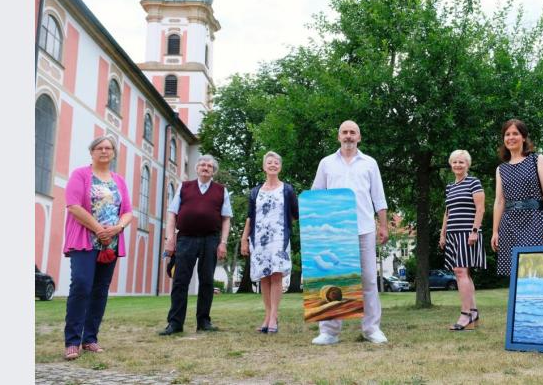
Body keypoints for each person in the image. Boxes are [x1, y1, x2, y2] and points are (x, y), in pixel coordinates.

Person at [310, 120, 389, 345]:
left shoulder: (370, 163)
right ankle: (329, 332)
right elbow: (316, 195)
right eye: (344, 132)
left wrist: (383, 225)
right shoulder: (326, 163)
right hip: (334, 231)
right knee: (333, 280)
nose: (348, 136)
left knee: (368, 280)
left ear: (359, 137)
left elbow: (379, 197)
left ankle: (372, 329)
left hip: (364, 228)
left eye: (352, 132)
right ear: (338, 137)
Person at [62, 136, 134, 360]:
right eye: (99, 148)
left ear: (113, 154)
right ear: (92, 152)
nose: (104, 151)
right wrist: (98, 229)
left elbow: (128, 211)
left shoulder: (119, 180)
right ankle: (72, 342)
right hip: (85, 239)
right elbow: (73, 205)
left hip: (110, 243)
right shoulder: (80, 174)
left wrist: (117, 228)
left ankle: (90, 339)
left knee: (100, 290)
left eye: (108, 148)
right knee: (82, 286)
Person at [159, 155, 232, 335]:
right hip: (186, 238)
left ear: (213, 171)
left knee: (207, 281)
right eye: (202, 165)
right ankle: (175, 323)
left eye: (209, 166)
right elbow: (171, 214)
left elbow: (226, 220)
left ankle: (204, 322)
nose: (205, 168)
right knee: (180, 281)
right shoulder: (184, 187)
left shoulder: (221, 191)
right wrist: (170, 239)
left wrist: (223, 242)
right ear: (196, 168)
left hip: (211, 240)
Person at [240, 151, 299, 334]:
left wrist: (282, 225)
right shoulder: (255, 192)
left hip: (279, 239)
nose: (272, 165)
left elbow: (295, 214)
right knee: (264, 278)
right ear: (264, 166)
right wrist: (244, 239)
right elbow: (250, 217)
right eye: (269, 162)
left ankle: (274, 316)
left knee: (276, 275)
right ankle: (267, 315)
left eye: (276, 162)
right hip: (258, 239)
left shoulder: (287, 189)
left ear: (280, 167)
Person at [491, 119, 543, 278]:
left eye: (515, 133)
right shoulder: (501, 169)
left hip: (535, 220)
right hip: (509, 224)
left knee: (536, 269)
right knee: (515, 273)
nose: (511, 137)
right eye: (507, 134)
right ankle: (518, 304)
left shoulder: (537, 159)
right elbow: (499, 202)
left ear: (524, 137)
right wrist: (495, 231)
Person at [438, 150, 486, 330]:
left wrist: (475, 231)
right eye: (455, 162)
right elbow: (448, 212)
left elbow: (480, 208)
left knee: (460, 271)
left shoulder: (473, 182)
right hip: (452, 234)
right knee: (462, 273)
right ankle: (473, 312)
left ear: (468, 165)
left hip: (467, 234)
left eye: (461, 162)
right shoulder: (450, 187)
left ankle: (465, 315)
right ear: (451, 165)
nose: (458, 165)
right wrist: (443, 234)